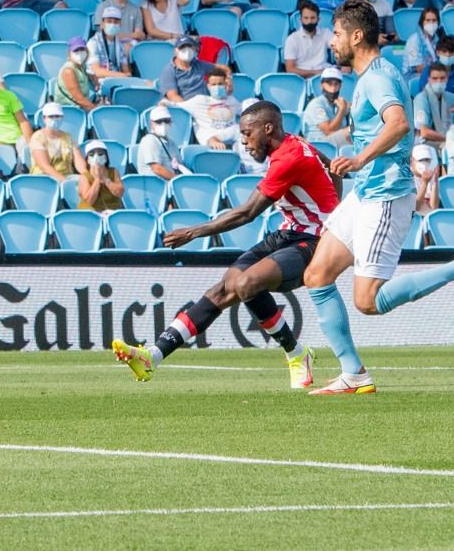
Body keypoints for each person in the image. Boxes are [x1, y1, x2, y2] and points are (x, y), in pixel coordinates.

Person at [302, 0, 454, 395]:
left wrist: (358, 158)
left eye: (338, 33)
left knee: (368, 301)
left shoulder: (377, 78)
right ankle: (353, 373)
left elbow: (399, 125)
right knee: (317, 275)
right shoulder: (372, 75)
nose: (333, 41)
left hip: (386, 196)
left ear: (357, 36)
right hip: (365, 193)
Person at [117, 101, 337, 387]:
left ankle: (296, 355)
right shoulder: (294, 144)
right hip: (290, 233)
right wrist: (334, 204)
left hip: (315, 240)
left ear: (267, 128)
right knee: (226, 286)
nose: (243, 141)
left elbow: (247, 213)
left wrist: (194, 232)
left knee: (246, 284)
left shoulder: (289, 158)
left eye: (247, 133)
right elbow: (332, 167)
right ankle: (153, 356)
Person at [27, 101, 83, 179]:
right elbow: (44, 166)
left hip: (67, 175)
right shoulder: (37, 137)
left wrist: (86, 174)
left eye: (57, 116)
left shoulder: (69, 137)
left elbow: (78, 160)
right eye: (51, 116)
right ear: (44, 118)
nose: (55, 119)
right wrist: (64, 181)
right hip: (43, 178)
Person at [302, 66, 351, 146]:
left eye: (336, 84)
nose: (333, 89)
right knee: (351, 131)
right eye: (329, 84)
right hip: (317, 144)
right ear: (322, 86)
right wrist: (341, 110)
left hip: (333, 142)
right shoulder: (316, 104)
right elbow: (328, 131)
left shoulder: (338, 103)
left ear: (340, 86)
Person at [412, 62, 454, 149]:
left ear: (447, 79)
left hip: (448, 141)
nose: (439, 81)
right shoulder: (421, 99)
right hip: (426, 143)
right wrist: (452, 139)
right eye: (435, 78)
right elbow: (424, 132)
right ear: (429, 79)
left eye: (442, 78)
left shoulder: (452, 98)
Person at [51, 36, 100, 112]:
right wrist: (99, 110)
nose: (80, 53)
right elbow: (79, 100)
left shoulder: (82, 66)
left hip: (80, 110)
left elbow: (91, 74)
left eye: (82, 49)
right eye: (76, 50)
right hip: (69, 112)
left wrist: (95, 80)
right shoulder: (68, 71)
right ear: (69, 53)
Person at [86, 5, 133, 80]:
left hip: (117, 79)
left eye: (116, 22)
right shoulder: (93, 43)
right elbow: (97, 71)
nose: (113, 24)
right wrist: (121, 75)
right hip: (99, 82)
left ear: (120, 25)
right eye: (109, 21)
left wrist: (127, 75)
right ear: (102, 24)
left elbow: (125, 69)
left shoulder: (119, 44)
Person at [136, 105, 185, 178]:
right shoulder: (149, 140)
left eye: (166, 120)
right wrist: (177, 180)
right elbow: (157, 168)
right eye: (159, 121)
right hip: (155, 185)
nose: (163, 124)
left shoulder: (172, 143)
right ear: (152, 124)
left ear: (170, 122)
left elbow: (180, 165)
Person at [76, 139, 124, 211]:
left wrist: (105, 179)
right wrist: (97, 179)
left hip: (112, 212)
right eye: (92, 154)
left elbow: (120, 193)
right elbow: (89, 201)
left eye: (100, 153)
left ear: (105, 157)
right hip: (92, 214)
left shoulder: (113, 171)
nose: (96, 157)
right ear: (88, 160)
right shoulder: (84, 176)